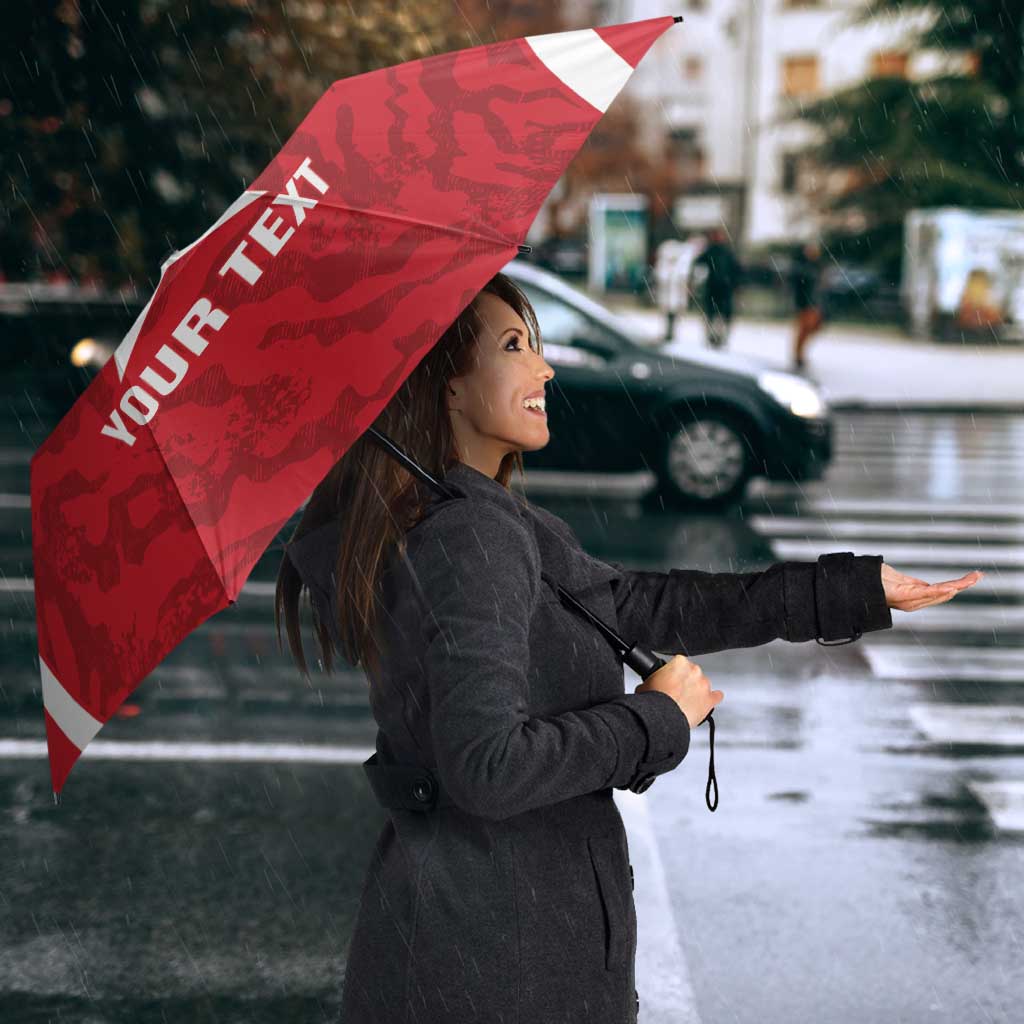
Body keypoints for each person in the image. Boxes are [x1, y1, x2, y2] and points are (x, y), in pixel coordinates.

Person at [275, 271, 973, 1024]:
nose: (544, 368)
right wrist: (656, 719)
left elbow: (640, 605)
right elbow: (488, 768)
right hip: (497, 963)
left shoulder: (475, 518)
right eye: (515, 346)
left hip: (477, 944)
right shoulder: (468, 537)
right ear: (445, 385)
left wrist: (851, 591)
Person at [692, 226, 742, 349]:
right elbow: (698, 264)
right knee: (713, 314)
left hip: (723, 288)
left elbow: (736, 270)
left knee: (720, 315)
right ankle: (713, 337)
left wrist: (735, 284)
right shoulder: (712, 251)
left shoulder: (725, 252)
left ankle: (719, 337)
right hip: (715, 288)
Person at [790, 239, 826, 370]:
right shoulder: (802, 267)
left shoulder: (817, 266)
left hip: (814, 303)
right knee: (804, 329)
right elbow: (799, 286)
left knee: (812, 328)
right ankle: (798, 355)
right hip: (805, 303)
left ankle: (799, 354)